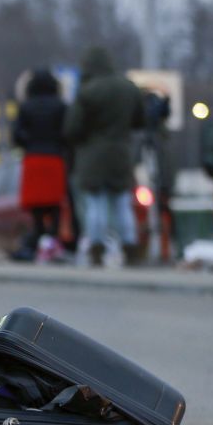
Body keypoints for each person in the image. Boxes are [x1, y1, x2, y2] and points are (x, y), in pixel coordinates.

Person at [63, 48, 145, 268]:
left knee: (95, 203)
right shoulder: (128, 88)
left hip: (93, 155)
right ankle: (130, 247)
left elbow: (72, 128)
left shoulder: (87, 92)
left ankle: (97, 249)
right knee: (122, 203)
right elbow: (140, 120)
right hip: (121, 152)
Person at [12, 69, 68, 263]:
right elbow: (67, 133)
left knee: (36, 204)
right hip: (55, 158)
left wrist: (30, 142)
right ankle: (52, 240)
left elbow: (17, 135)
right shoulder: (61, 106)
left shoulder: (26, 106)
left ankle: (39, 236)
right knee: (55, 203)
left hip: (33, 158)